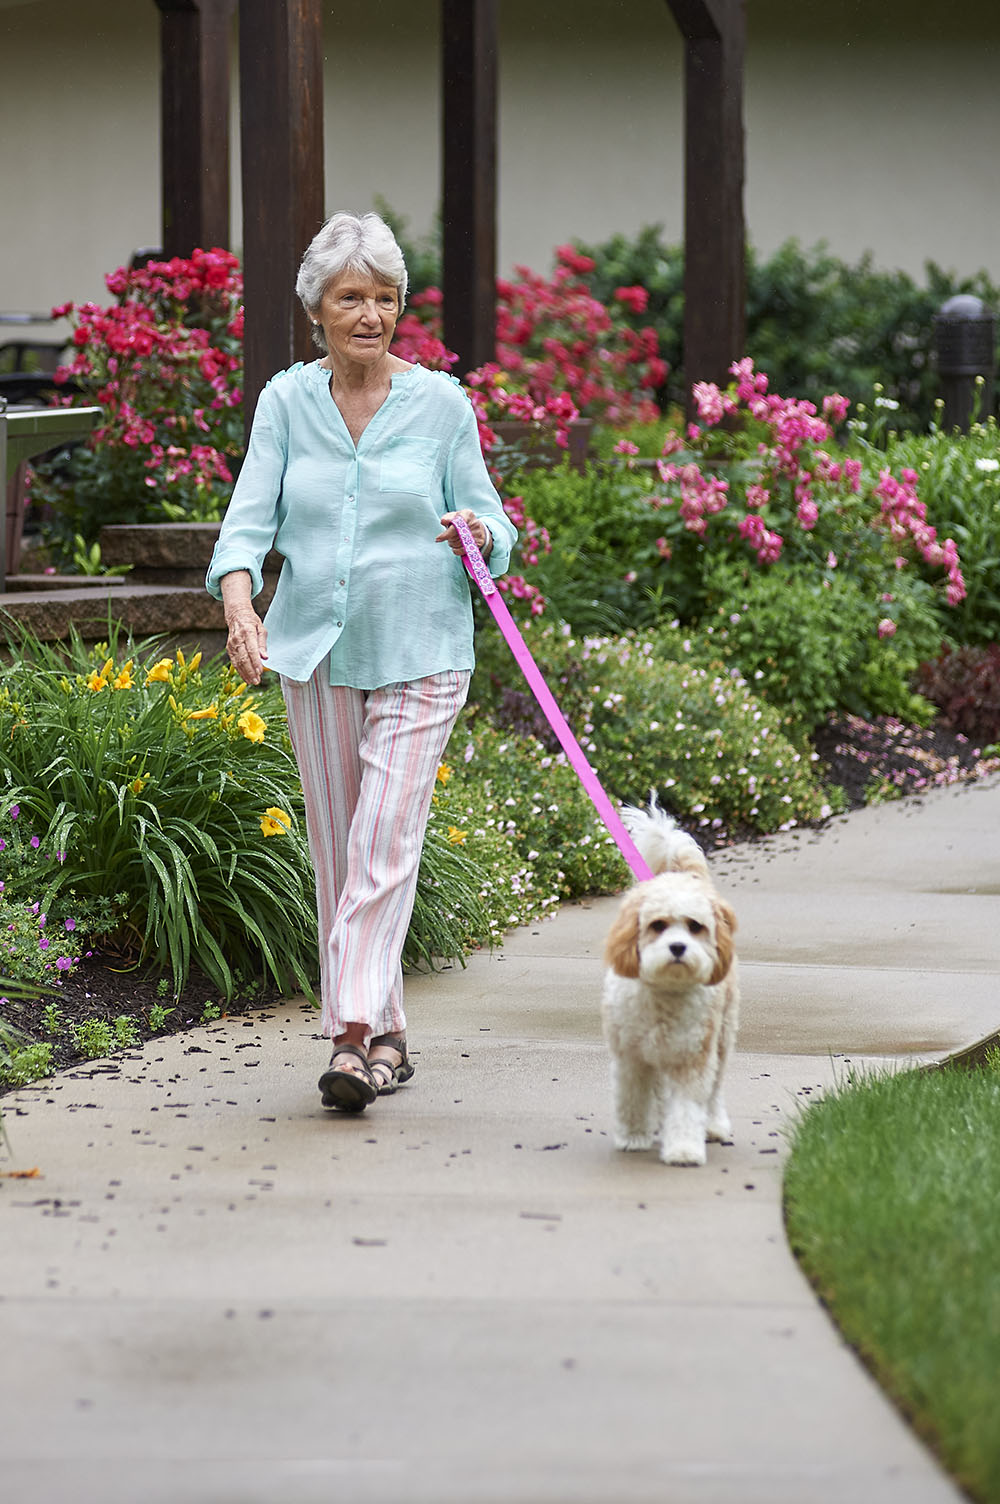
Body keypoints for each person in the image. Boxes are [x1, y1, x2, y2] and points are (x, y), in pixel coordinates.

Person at [206, 210, 517, 1113]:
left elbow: (495, 522)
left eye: (384, 297)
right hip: (317, 650)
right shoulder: (285, 401)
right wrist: (239, 604)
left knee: (383, 839)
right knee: (341, 853)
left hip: (422, 647)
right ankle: (387, 1036)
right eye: (353, 297)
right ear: (319, 309)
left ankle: (346, 1035)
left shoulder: (442, 406)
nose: (371, 314)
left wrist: (477, 528)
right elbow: (248, 520)